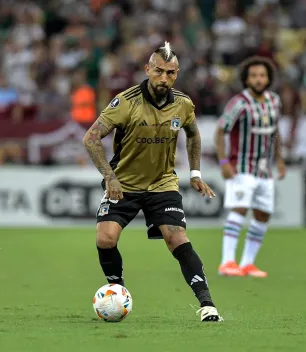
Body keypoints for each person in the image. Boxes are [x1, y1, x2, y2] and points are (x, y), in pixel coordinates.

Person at [83, 42, 222, 322]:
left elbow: (193, 134)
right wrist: (109, 177)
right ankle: (118, 291)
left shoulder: (183, 104)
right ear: (147, 69)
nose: (164, 78)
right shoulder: (126, 102)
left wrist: (195, 173)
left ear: (177, 74)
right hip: (123, 183)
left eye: (170, 73)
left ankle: (207, 305)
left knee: (177, 238)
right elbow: (91, 137)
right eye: (158, 71)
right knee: (105, 238)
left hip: (162, 184)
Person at [215, 56, 286, 278]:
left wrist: (280, 160)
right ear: (246, 79)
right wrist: (224, 161)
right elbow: (220, 131)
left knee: (263, 214)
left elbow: (275, 133)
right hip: (241, 167)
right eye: (254, 75)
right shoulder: (239, 103)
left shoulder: (274, 101)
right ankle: (227, 262)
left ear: (268, 78)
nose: (258, 79)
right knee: (239, 209)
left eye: (262, 75)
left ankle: (247, 263)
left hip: (264, 170)